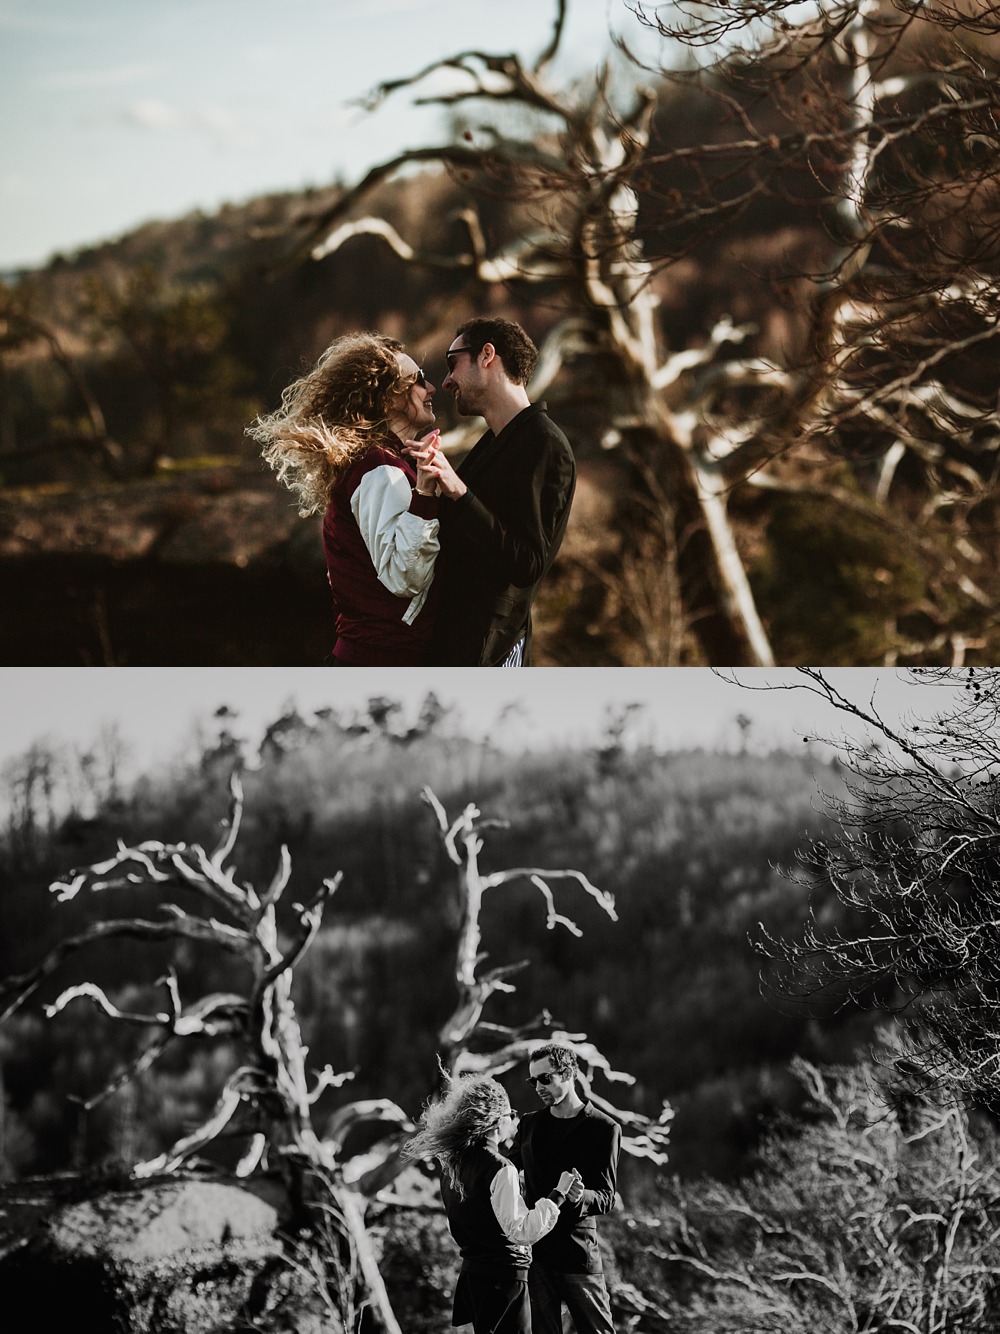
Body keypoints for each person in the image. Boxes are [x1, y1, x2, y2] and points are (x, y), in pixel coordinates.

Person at [248, 332, 441, 665]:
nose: (432, 388)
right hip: (380, 663)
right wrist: (424, 495)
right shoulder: (380, 469)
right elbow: (403, 577)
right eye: (419, 380)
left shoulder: (382, 462)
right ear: (389, 398)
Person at [408, 318, 576, 666]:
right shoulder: (494, 442)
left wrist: (459, 491)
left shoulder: (545, 444)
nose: (446, 381)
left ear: (487, 355)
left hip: (489, 656)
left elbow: (528, 563)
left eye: (452, 362)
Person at [404, 1074, 579, 1334]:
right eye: (511, 1114)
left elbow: (457, 1226)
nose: (514, 1120)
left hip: (473, 1277)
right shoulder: (500, 1168)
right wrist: (559, 1194)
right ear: (497, 1121)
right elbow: (521, 1231)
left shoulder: (450, 1166)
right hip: (504, 1280)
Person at [509, 1044, 621, 1334]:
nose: (538, 1087)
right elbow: (504, 1171)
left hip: (578, 1254)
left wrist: (580, 1196)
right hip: (536, 1254)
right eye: (533, 1081)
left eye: (544, 1079)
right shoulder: (529, 1124)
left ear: (569, 1073)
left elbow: (607, 1197)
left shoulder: (604, 1128)